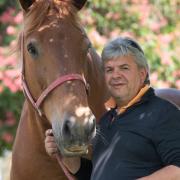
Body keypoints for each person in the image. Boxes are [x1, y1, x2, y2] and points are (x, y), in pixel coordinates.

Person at [45, 37, 180, 180]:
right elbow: (92, 175)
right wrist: (63, 153)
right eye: (109, 69)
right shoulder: (106, 120)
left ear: (142, 74)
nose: (115, 75)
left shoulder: (162, 112)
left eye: (124, 68)